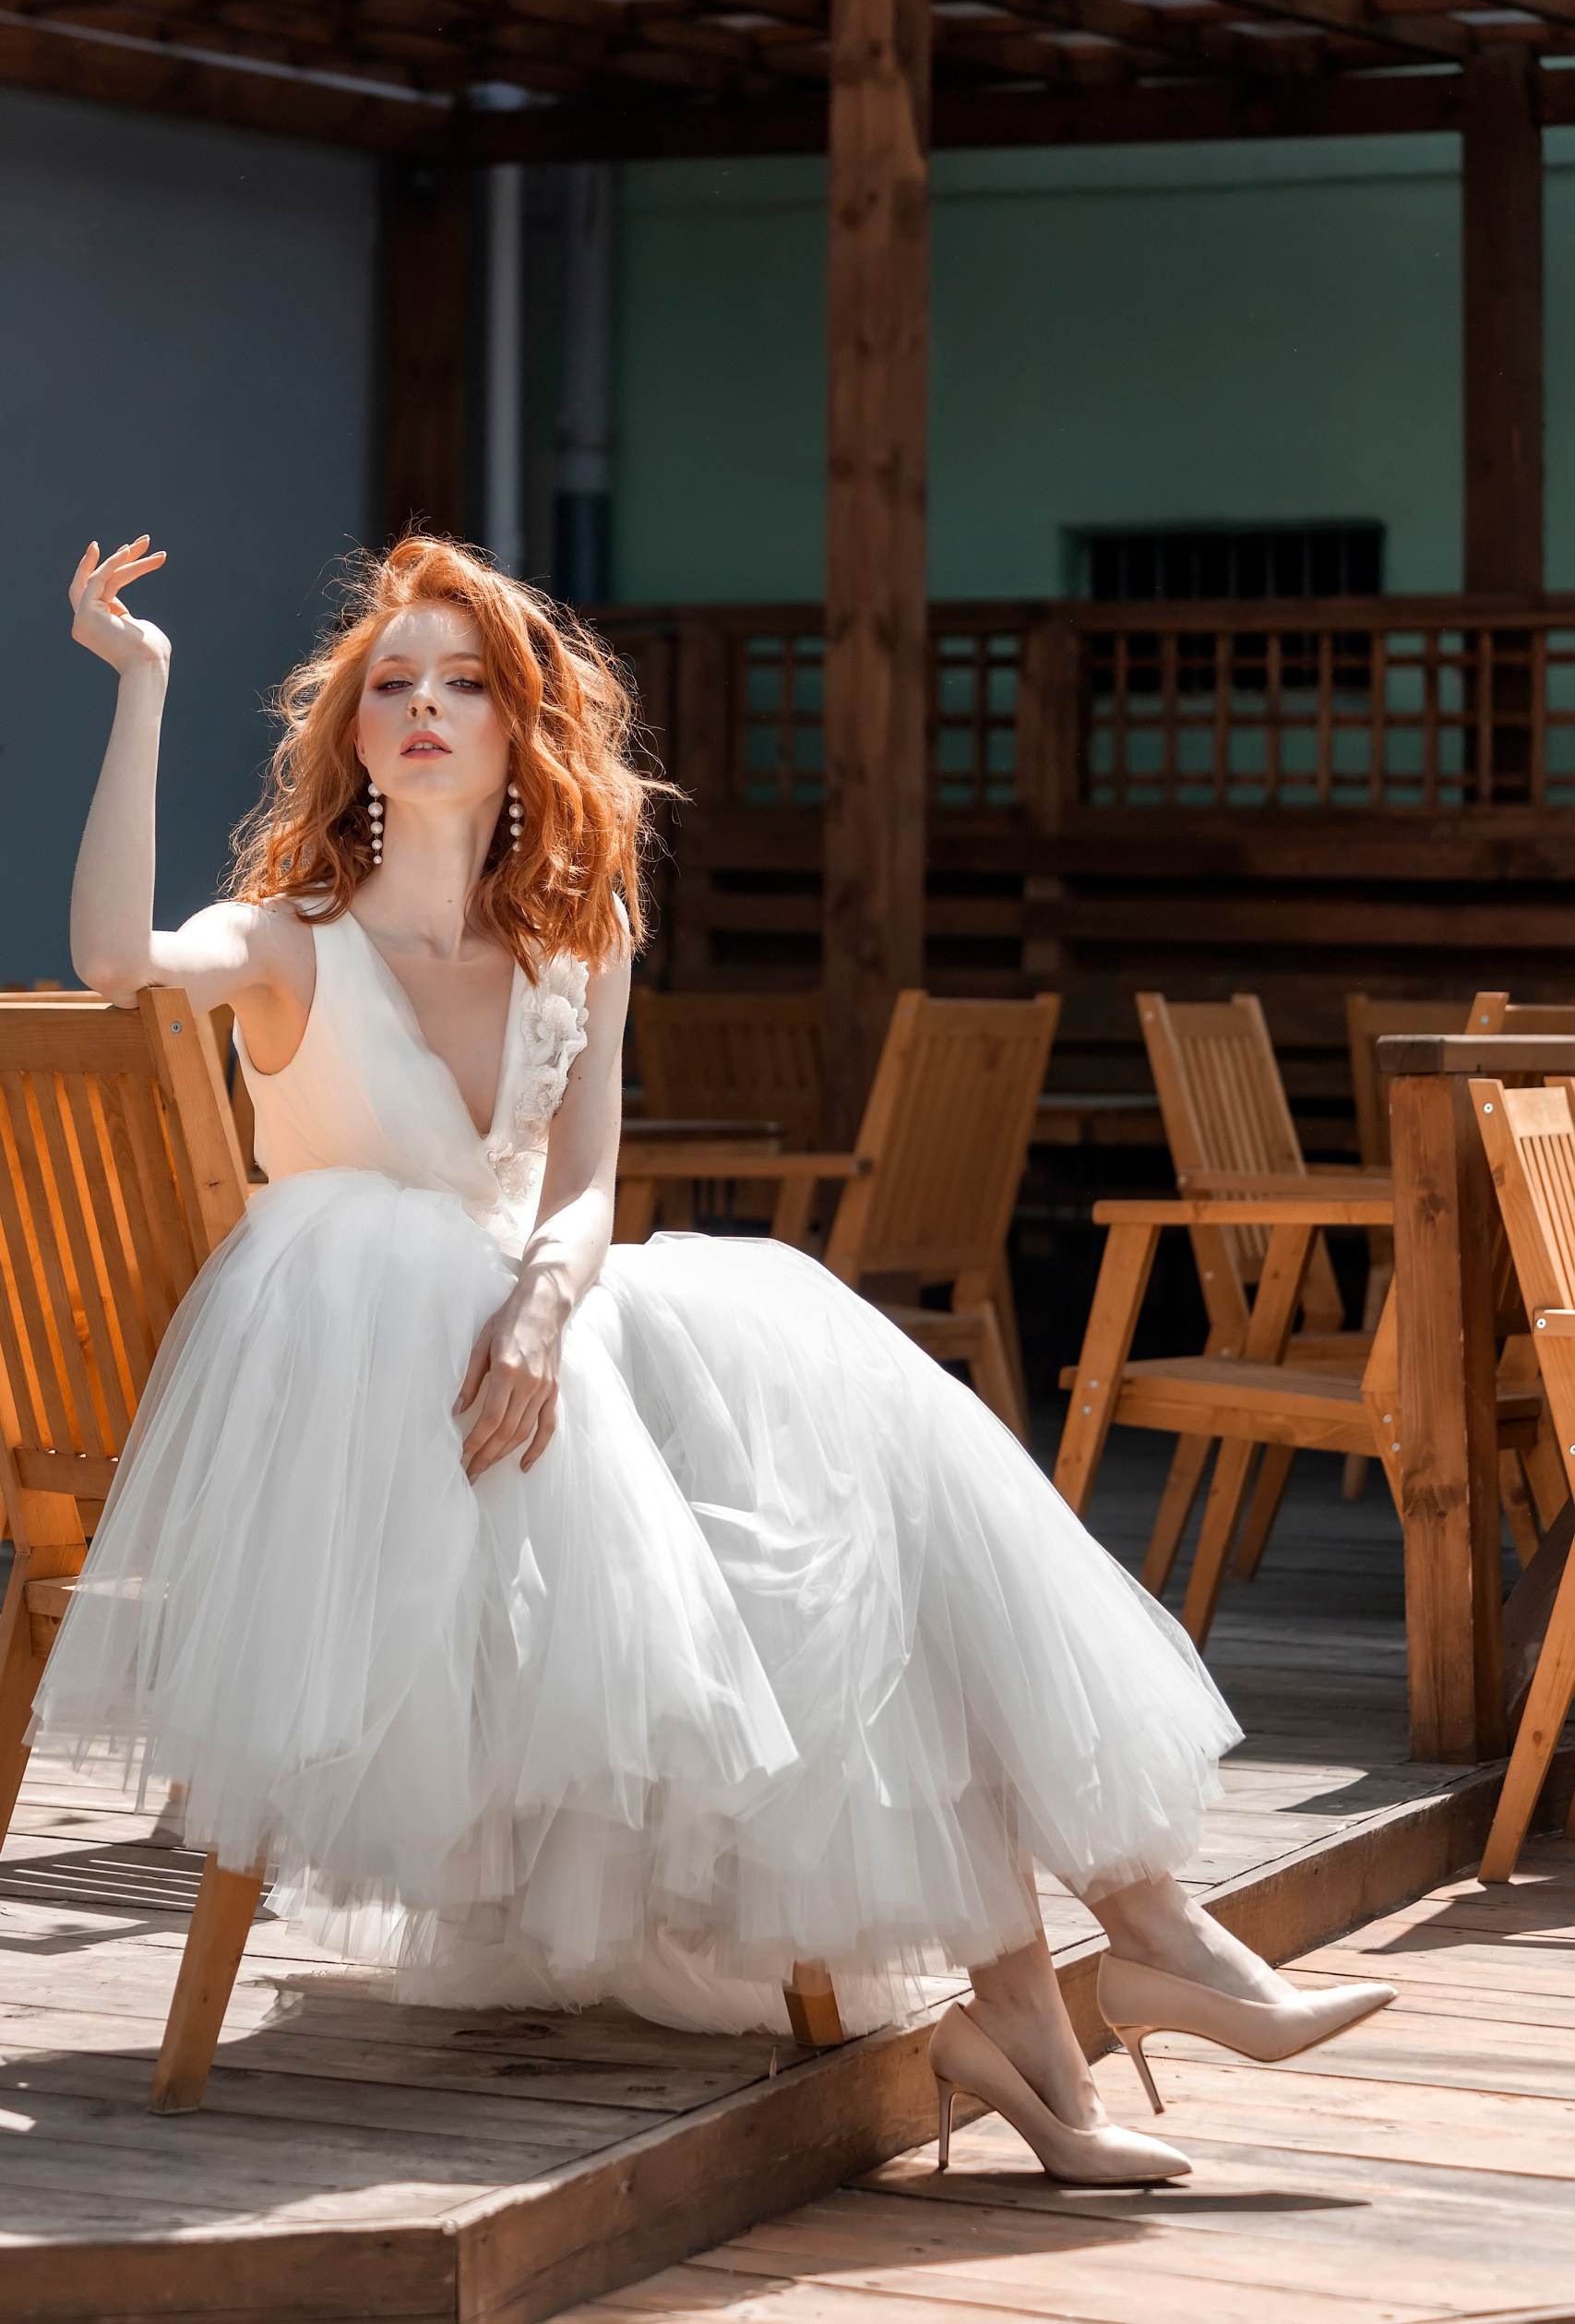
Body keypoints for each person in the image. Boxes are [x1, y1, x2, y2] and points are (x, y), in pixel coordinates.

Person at [32, 533, 1392, 2186]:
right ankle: (1092, 1990)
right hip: (385, 1438)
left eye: (466, 681)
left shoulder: (576, 935)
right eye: (393, 683)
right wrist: (145, 684)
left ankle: (1086, 1982)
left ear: (522, 728)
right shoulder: (288, 938)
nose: (426, 705)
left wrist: (543, 1308)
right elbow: (110, 959)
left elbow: (584, 1191)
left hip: (537, 1355)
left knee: (849, 1464)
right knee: (824, 1542)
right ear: (352, 731)